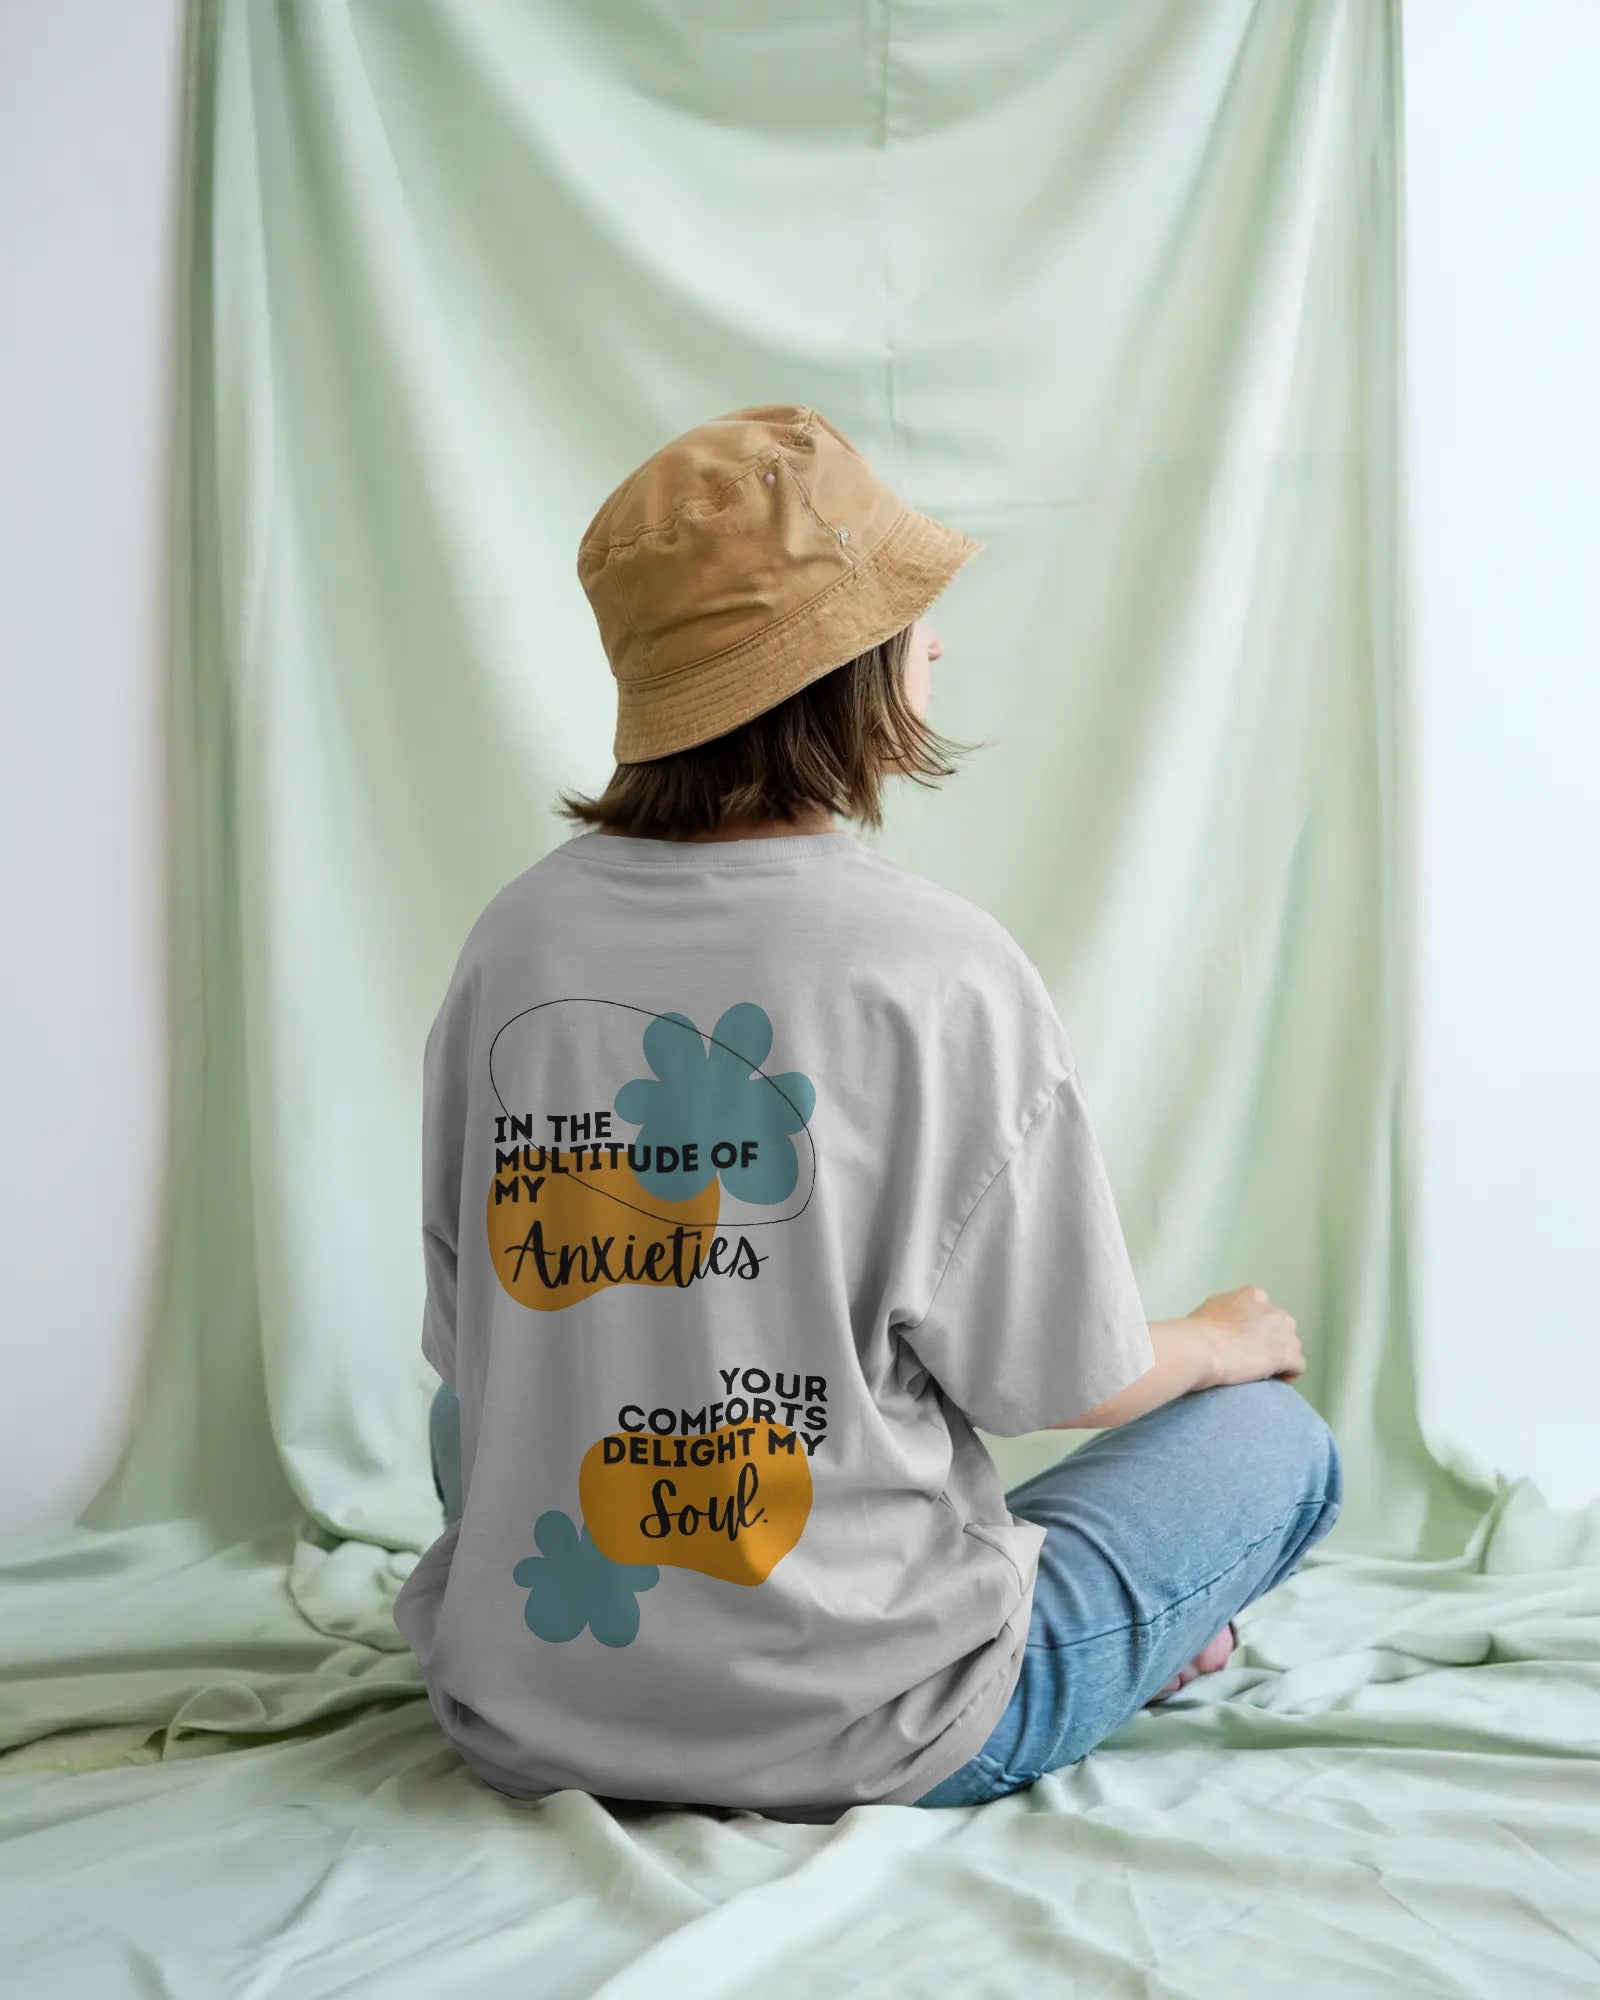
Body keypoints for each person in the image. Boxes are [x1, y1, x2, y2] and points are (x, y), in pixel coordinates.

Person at [393, 403, 1342, 1821]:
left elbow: (469, 1339)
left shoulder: (514, 942)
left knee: (483, 1408)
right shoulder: (941, 968)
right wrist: (1216, 1341)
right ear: (836, 670)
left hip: (533, 1708)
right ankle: (1120, 1637)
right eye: (908, 615)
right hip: (884, 1725)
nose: (935, 646)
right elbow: (1057, 1383)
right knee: (1276, 1444)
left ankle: (657, 1664)